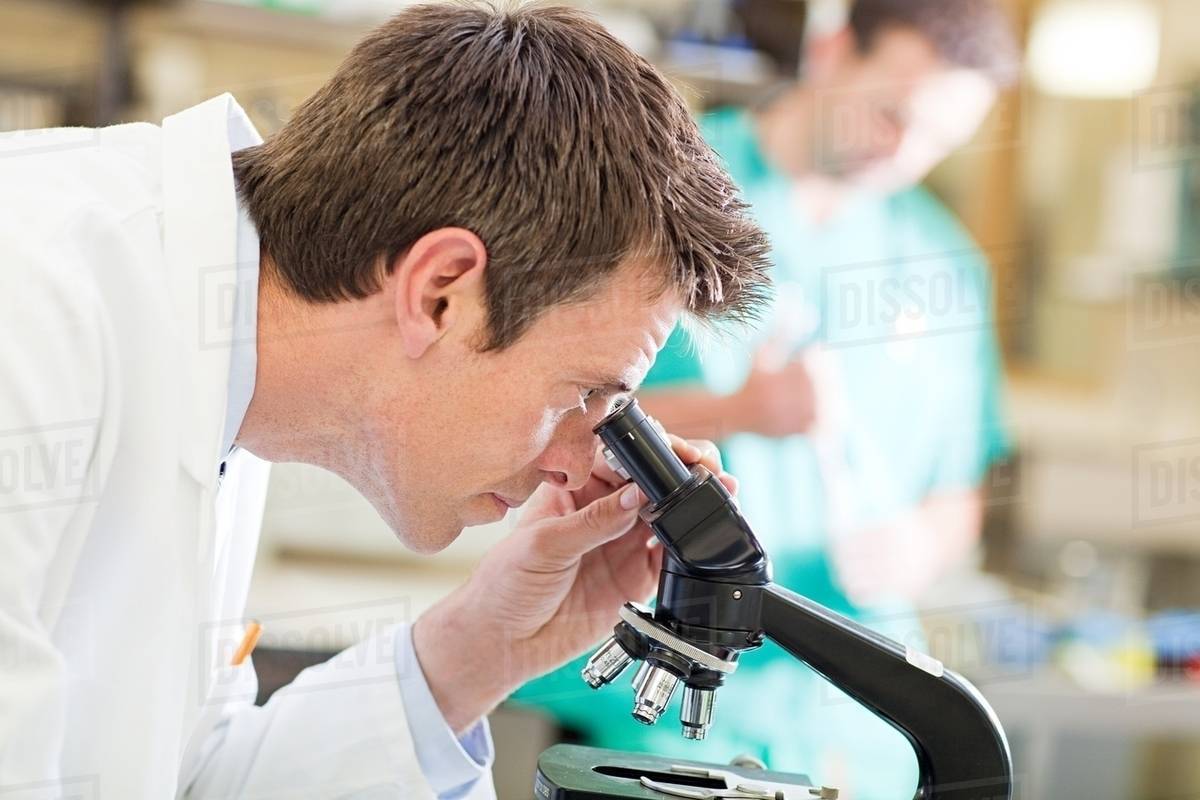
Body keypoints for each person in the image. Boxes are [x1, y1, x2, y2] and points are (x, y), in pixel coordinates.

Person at [0, 4, 772, 798]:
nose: (577, 471)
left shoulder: (228, 366)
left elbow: (188, 781)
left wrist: (484, 648)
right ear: (439, 294)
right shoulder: (25, 306)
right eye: (583, 395)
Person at [512, 1, 1018, 797]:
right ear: (831, 46)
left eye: (939, 141)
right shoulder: (657, 189)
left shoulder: (946, 265)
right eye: (891, 114)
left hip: (858, 707)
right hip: (656, 679)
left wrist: (919, 546)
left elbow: (958, 492)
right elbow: (524, 411)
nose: (905, 152)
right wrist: (740, 413)